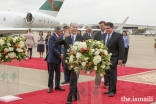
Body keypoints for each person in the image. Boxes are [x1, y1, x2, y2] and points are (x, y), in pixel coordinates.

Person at [56, 22, 85, 104]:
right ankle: (76, 96)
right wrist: (64, 36)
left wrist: (82, 62)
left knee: (73, 80)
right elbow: (57, 42)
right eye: (73, 27)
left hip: (77, 63)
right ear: (70, 28)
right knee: (71, 80)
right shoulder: (66, 37)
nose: (75, 29)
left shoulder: (81, 38)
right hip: (67, 62)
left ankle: (69, 98)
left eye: (76, 27)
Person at [103, 22, 124, 97]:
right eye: (105, 28)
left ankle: (113, 90)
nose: (107, 30)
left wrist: (120, 58)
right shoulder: (103, 35)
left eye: (108, 28)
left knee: (112, 74)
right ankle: (109, 89)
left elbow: (121, 48)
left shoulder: (118, 36)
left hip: (114, 58)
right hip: (105, 59)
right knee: (107, 74)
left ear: (112, 28)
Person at [45, 26, 65, 93]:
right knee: (51, 74)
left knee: (58, 73)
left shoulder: (59, 37)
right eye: (61, 31)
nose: (61, 32)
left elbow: (61, 47)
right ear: (58, 31)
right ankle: (50, 87)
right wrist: (59, 55)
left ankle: (57, 86)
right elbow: (52, 48)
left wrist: (62, 53)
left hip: (58, 58)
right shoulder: (52, 37)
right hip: (52, 58)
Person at [94, 21, 109, 89]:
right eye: (100, 26)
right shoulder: (97, 34)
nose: (101, 27)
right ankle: (97, 83)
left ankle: (107, 83)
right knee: (98, 70)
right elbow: (94, 43)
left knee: (106, 70)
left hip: (107, 54)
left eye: (102, 25)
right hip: (99, 54)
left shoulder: (108, 33)